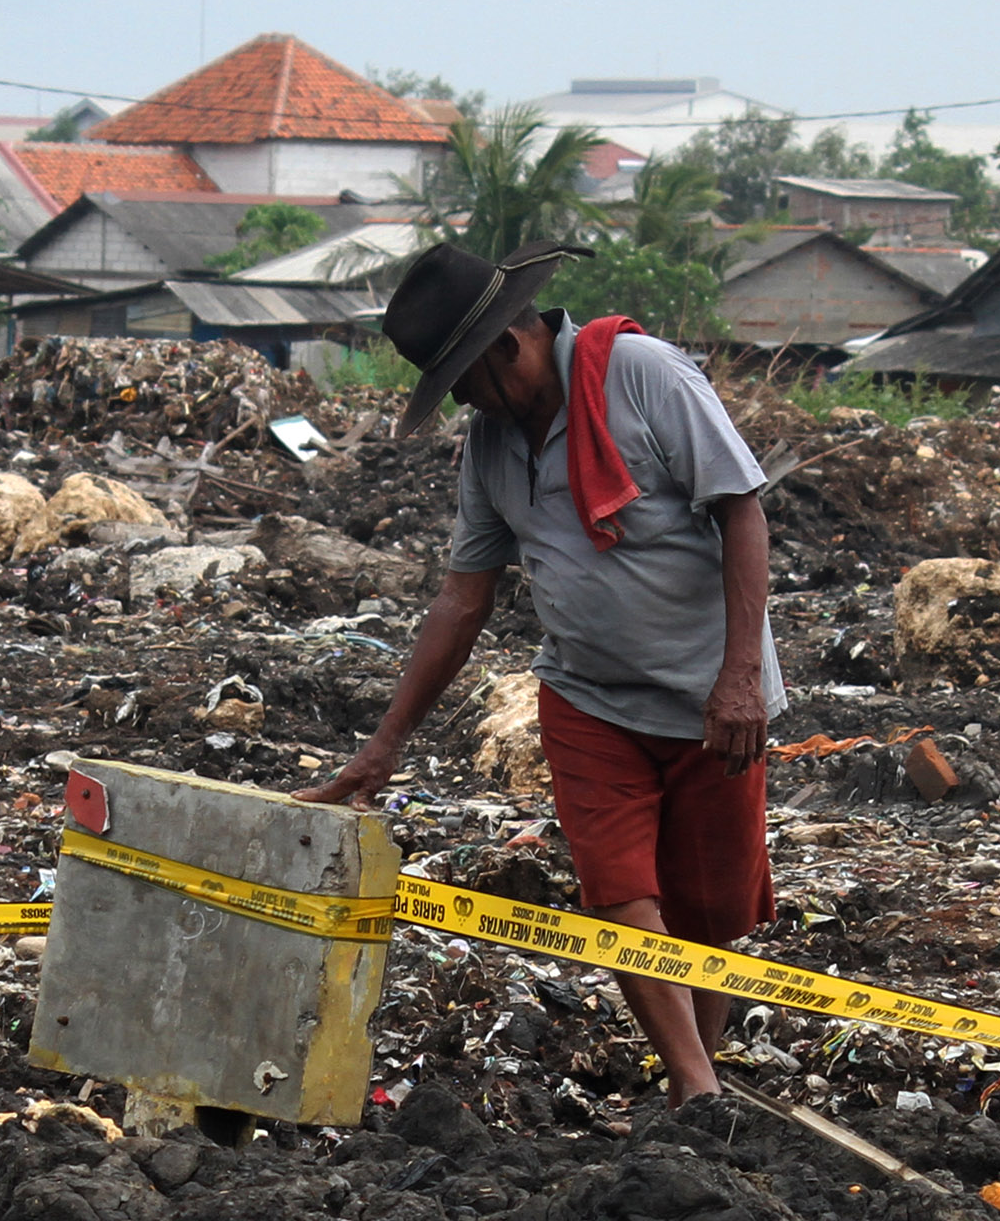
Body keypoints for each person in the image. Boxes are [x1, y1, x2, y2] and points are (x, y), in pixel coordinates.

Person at [297, 241, 778, 1111]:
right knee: (619, 894)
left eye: (465, 383)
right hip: (589, 700)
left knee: (708, 919)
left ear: (506, 348)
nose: (466, 407)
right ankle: (698, 1090)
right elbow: (460, 599)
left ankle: (693, 1097)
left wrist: (741, 674)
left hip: (709, 698)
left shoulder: (640, 374)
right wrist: (384, 745)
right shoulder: (490, 448)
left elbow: (742, 507)